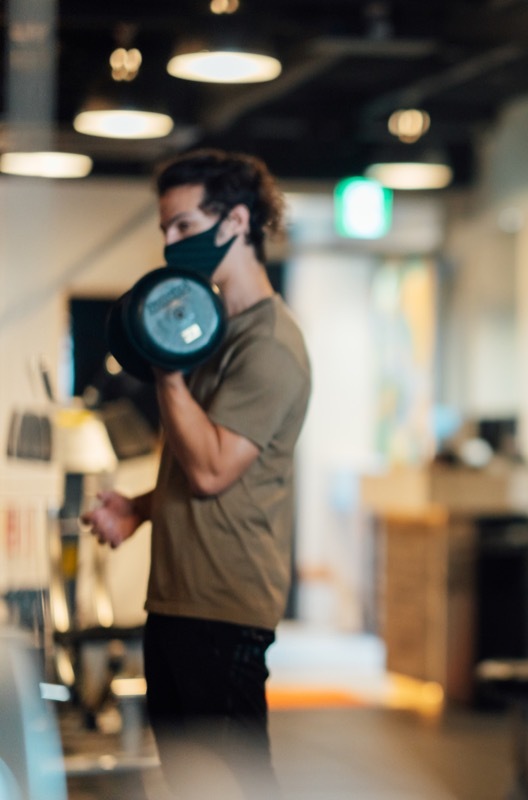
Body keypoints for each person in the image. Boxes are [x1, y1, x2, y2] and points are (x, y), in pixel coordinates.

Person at [82, 149, 311, 798]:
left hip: (225, 605)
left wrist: (165, 367)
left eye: (183, 226)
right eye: (165, 231)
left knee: (235, 786)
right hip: (179, 598)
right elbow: (199, 473)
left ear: (236, 221)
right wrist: (139, 507)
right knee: (190, 786)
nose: (170, 243)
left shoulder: (269, 345)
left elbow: (212, 470)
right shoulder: (215, 334)